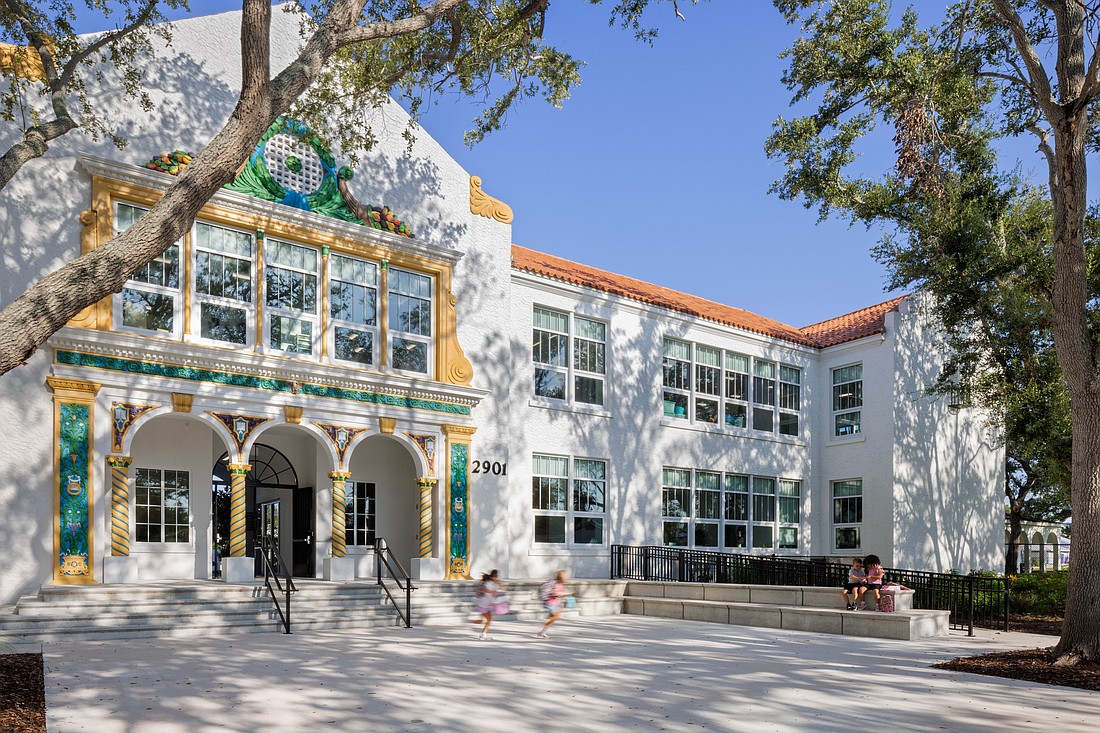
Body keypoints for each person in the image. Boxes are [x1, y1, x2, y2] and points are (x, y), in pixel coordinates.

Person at [536, 569, 573, 639]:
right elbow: (555, 593)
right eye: (566, 576)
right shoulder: (556, 584)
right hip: (550, 603)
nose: (567, 578)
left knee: (554, 618)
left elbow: (559, 594)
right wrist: (568, 594)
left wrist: (564, 595)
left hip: (555, 604)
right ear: (561, 577)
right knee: (555, 617)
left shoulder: (561, 584)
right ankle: (542, 631)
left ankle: (543, 631)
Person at [474, 569, 503, 640]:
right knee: (489, 620)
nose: (496, 578)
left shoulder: (495, 583)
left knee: (488, 620)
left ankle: (483, 633)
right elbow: (482, 589)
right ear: (491, 577)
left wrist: (500, 585)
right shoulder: (488, 583)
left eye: (497, 576)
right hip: (483, 605)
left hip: (489, 605)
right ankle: (482, 634)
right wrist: (491, 591)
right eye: (495, 577)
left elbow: (502, 588)